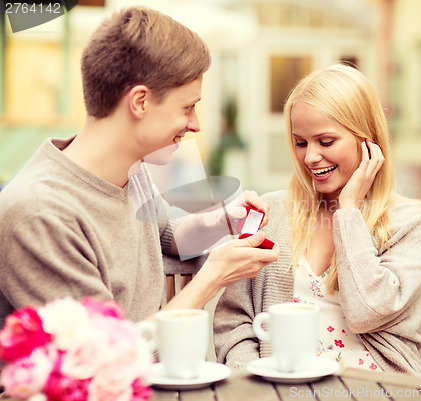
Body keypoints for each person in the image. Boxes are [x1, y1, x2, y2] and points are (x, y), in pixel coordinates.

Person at [0, 6, 279, 332]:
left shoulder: (131, 169)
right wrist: (213, 278)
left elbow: (164, 234)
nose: (196, 125)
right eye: (188, 108)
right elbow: (107, 355)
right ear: (140, 102)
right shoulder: (39, 216)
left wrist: (219, 222)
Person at [213, 63, 421, 377]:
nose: (310, 157)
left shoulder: (418, 223)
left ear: (368, 142)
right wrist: (252, 381)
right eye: (300, 143)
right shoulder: (270, 212)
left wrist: (348, 210)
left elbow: (367, 312)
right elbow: (234, 319)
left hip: (376, 389)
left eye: (325, 142)